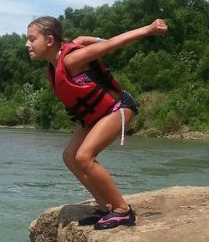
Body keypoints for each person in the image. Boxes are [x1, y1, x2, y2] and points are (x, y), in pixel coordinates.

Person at [25, 16, 168, 230]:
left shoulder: (72, 59)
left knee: (84, 157)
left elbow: (112, 44)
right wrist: (93, 38)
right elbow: (92, 41)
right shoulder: (52, 68)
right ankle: (105, 206)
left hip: (118, 108)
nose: (27, 44)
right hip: (93, 116)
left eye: (31, 39)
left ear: (49, 40)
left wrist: (148, 29)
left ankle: (122, 210)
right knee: (70, 156)